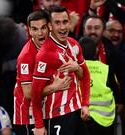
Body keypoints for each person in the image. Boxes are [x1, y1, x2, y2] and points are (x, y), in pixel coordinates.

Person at [31, 6, 91, 135]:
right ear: (50, 26)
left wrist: (85, 104)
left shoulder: (74, 44)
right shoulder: (45, 54)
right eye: (57, 23)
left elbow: (85, 74)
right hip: (57, 114)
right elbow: (35, 93)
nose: (63, 27)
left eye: (65, 22)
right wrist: (39, 125)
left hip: (76, 110)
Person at [13, 9, 72, 135]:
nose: (40, 33)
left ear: (49, 27)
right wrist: (54, 87)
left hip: (44, 110)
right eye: (34, 29)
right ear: (29, 30)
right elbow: (28, 94)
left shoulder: (55, 44)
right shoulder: (26, 56)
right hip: (27, 116)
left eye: (43, 27)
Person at [78, 36, 116, 135]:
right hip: (104, 120)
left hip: (81, 117)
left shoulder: (75, 69)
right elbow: (116, 90)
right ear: (96, 51)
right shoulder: (106, 69)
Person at [104, 19, 125, 135]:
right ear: (104, 31)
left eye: (119, 32)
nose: (116, 35)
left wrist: (123, 102)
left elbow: (124, 81)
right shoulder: (97, 50)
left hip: (120, 107)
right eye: (112, 31)